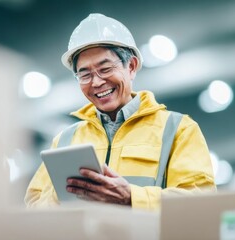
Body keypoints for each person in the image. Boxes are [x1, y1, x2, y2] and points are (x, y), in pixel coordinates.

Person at [24, 13, 216, 210]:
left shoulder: (178, 129)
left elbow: (200, 202)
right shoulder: (65, 140)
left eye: (105, 69)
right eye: (85, 74)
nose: (96, 82)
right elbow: (32, 207)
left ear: (131, 66)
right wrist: (66, 192)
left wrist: (132, 197)